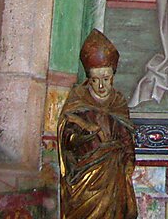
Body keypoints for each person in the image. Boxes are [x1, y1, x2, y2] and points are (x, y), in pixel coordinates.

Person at [57, 29, 138, 219]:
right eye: (95, 80)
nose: (101, 86)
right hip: (84, 175)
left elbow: (126, 137)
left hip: (113, 175)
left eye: (106, 79)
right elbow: (67, 138)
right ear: (89, 79)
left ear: (113, 77)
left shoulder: (118, 102)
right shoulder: (78, 101)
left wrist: (128, 160)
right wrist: (84, 135)